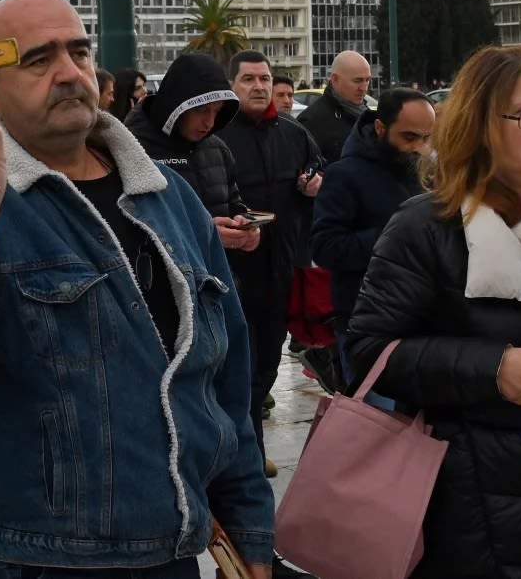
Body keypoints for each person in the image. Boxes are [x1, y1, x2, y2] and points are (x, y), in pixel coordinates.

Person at [0, 0, 274, 578]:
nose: (68, 73)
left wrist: (250, 524)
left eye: (78, 51)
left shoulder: (167, 198)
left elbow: (223, 376)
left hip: (175, 546)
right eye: (37, 60)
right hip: (38, 556)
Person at [347, 45, 521, 578]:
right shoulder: (425, 228)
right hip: (472, 516)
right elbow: (366, 355)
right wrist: (494, 369)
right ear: (479, 125)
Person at [219, 51, 323, 469]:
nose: (259, 86)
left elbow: (318, 168)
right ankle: (242, 453)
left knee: (265, 366)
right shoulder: (218, 136)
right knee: (236, 371)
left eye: (264, 78)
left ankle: (252, 448)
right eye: (248, 80)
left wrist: (314, 182)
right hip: (233, 273)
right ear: (232, 86)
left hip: (281, 267)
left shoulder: (293, 132)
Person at [310, 87, 434, 384]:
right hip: (366, 325)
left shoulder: (427, 171)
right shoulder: (345, 174)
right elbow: (325, 247)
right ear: (380, 128)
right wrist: (395, 237)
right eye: (409, 137)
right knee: (376, 422)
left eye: (427, 138)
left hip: (423, 322)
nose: (419, 147)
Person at [124, 52, 260, 255]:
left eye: (217, 110)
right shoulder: (130, 148)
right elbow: (126, 228)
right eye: (202, 110)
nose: (210, 122)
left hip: (217, 278)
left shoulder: (218, 149)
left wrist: (245, 228)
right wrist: (204, 233)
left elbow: (233, 204)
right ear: (175, 105)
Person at [297, 50, 372, 163]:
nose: (364, 88)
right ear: (335, 79)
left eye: (367, 80)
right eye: (357, 81)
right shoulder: (311, 121)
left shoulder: (369, 116)